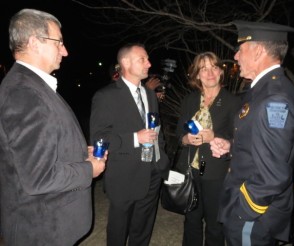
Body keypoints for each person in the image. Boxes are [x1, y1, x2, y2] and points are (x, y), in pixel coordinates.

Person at [0, 9, 106, 246]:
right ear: (35, 43)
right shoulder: (24, 93)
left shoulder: (32, 86)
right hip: (42, 231)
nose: (65, 51)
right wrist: (89, 169)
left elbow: (39, 151)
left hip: (48, 227)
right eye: (58, 42)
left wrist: (80, 155)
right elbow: (38, 177)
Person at [210, 20, 294, 245]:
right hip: (252, 210)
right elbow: (265, 144)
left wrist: (243, 212)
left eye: (240, 49)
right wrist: (232, 146)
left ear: (258, 51)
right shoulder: (263, 89)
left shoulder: (274, 98)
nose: (236, 56)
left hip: (255, 215)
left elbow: (273, 175)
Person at [90, 43, 170, 246]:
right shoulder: (106, 96)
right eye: (142, 59)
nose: (149, 63)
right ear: (125, 62)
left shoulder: (150, 94)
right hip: (124, 176)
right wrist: (135, 138)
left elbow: (156, 128)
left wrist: (162, 161)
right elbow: (99, 137)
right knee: (118, 231)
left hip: (152, 173)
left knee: (142, 229)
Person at [174, 51, 241, 246]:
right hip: (191, 170)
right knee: (192, 220)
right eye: (204, 68)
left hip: (217, 171)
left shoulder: (233, 102)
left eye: (214, 67)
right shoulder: (189, 100)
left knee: (214, 223)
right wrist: (186, 139)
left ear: (221, 71)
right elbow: (179, 135)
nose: (209, 72)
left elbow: (241, 139)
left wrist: (216, 137)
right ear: (196, 74)